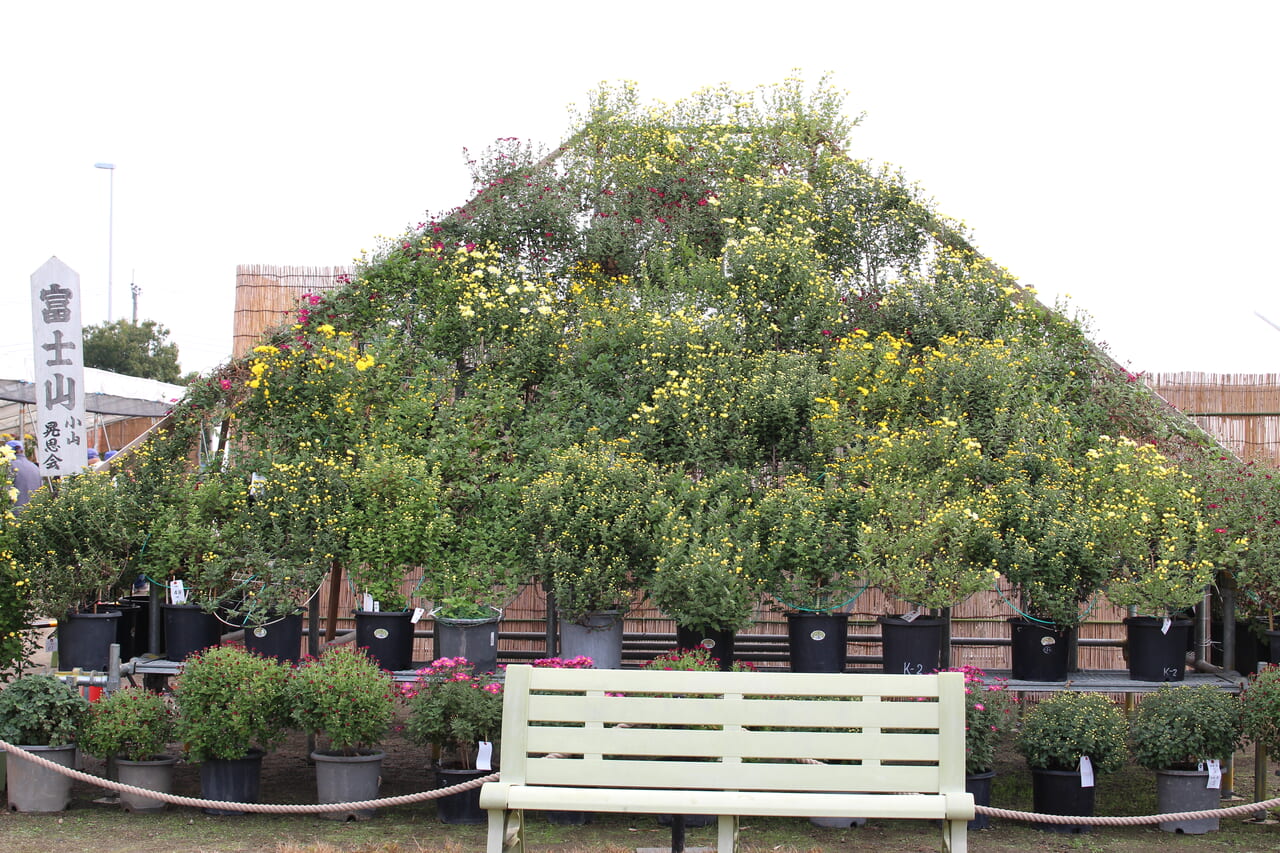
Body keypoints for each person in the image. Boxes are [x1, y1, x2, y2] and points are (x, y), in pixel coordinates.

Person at [6, 440, 41, 511]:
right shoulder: (35, 467)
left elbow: (5, 491)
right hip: (33, 513)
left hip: (15, 513)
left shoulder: (9, 466)